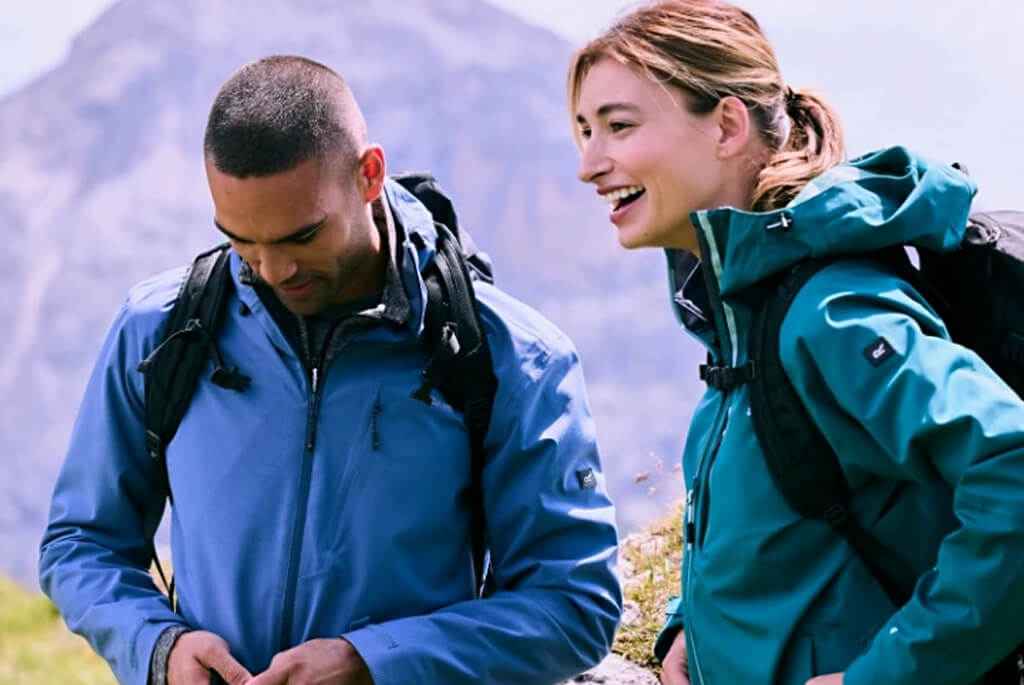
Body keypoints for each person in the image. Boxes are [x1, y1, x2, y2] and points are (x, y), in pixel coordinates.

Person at [39, 55, 621, 685]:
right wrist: (160, 648)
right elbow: (80, 543)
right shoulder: (159, 329)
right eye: (241, 239)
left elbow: (573, 608)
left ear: (369, 175)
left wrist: (376, 664)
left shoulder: (513, 357)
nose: (271, 270)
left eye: (301, 237)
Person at [568, 1, 1024, 684]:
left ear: (726, 126)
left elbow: (1013, 467)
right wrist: (686, 622)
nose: (589, 165)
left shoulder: (831, 311)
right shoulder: (745, 316)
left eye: (618, 127)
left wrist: (891, 675)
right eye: (583, 132)